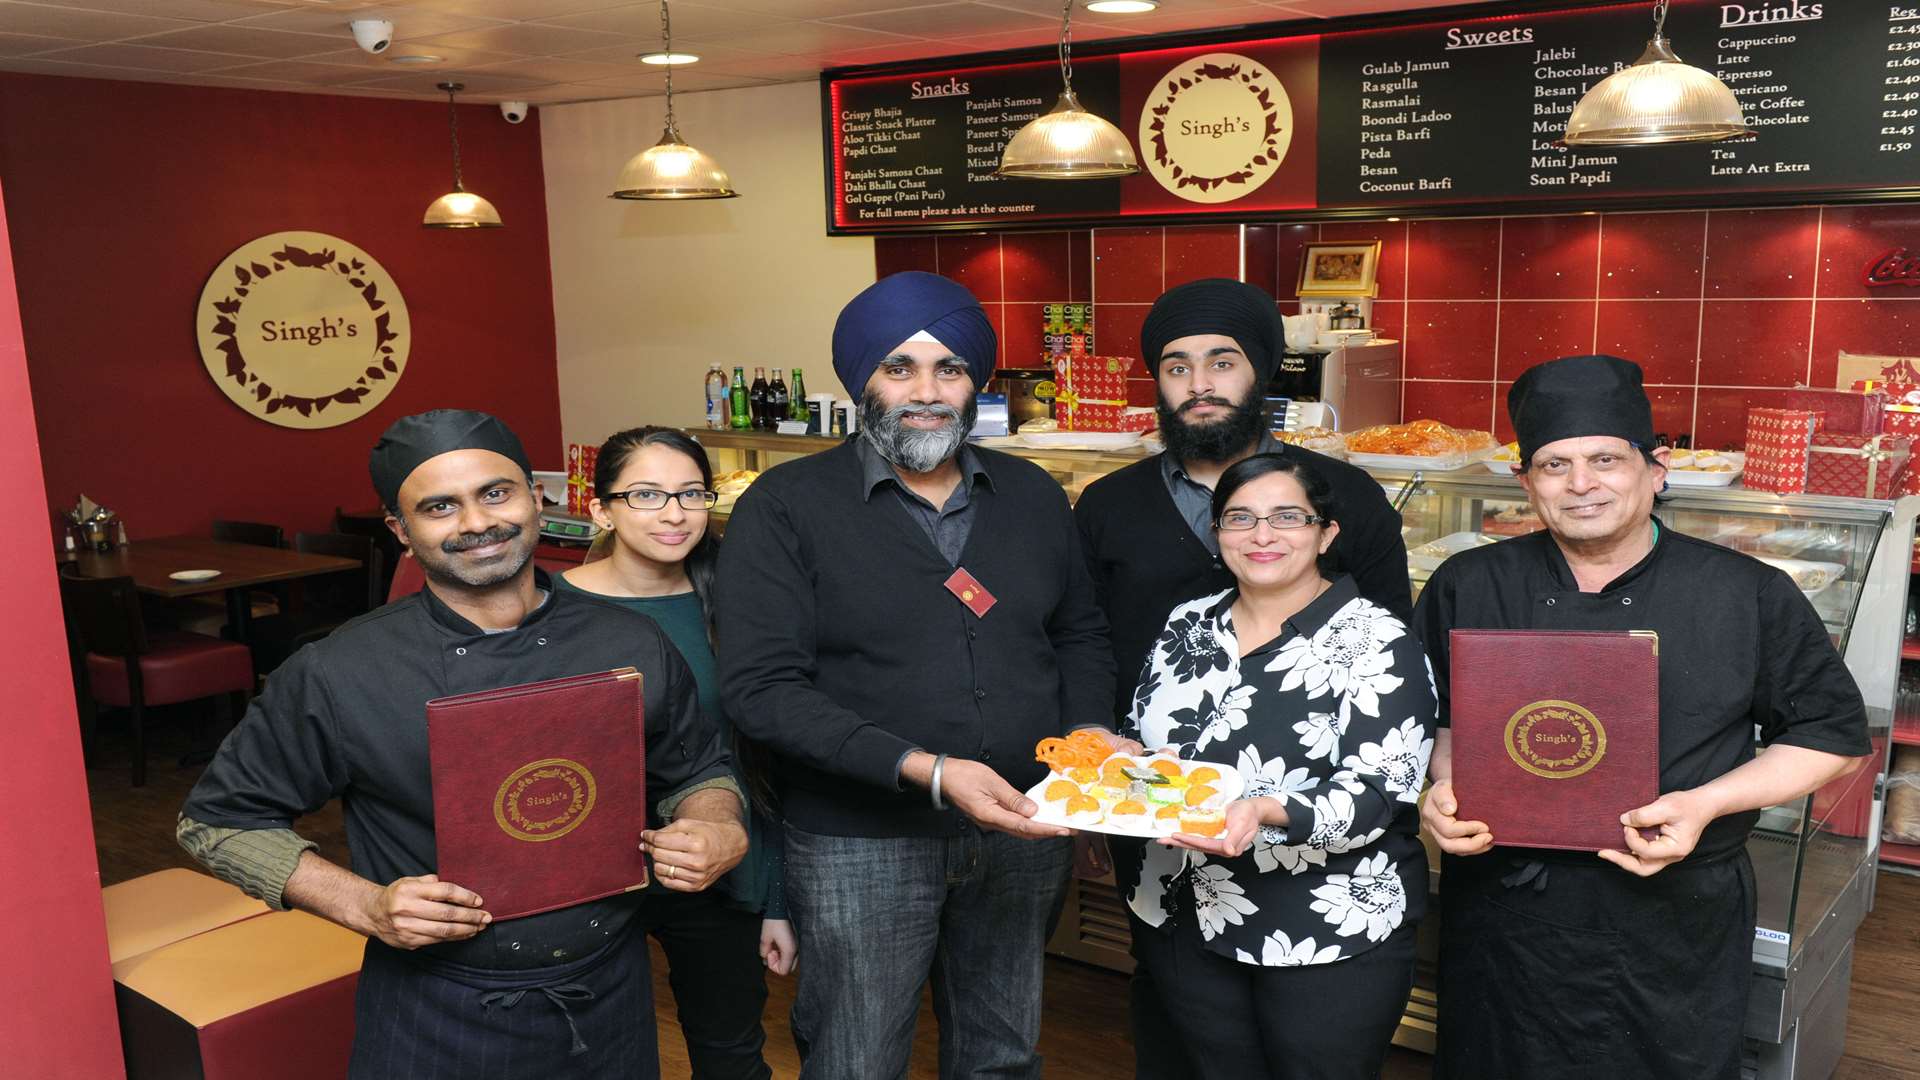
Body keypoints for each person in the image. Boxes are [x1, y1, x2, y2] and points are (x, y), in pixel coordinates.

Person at [177, 409, 748, 1079]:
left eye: (496, 493)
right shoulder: (339, 672)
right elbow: (215, 821)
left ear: (538, 500)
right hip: (438, 1006)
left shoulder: (629, 640)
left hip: (610, 994)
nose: (477, 522)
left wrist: (718, 823)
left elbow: (697, 769)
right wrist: (365, 905)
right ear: (401, 530)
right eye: (440, 506)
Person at [1414, 355, 1872, 1080]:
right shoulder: (1469, 583)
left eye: (1604, 459)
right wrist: (1441, 793)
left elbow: (1832, 738)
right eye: (1554, 465)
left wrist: (1704, 803)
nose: (1580, 483)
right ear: (1525, 482)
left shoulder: (1744, 592)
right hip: (1505, 914)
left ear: (1657, 469)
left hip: (1672, 915)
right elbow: (1442, 725)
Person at [715, 271, 1118, 1080]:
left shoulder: (1035, 495)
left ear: (977, 382)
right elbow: (761, 689)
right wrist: (931, 772)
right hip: (860, 840)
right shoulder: (786, 505)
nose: (927, 392)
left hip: (1020, 827)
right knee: (857, 1059)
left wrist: (1089, 736)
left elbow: (1078, 632)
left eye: (951, 369)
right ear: (861, 379)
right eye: (899, 368)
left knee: (1003, 1054)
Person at [1073, 277, 1411, 1077]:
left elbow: (1401, 655)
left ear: (1260, 372)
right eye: (1177, 366)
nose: (1200, 385)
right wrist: (1092, 771)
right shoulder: (1109, 505)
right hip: (1153, 824)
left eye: (1222, 362)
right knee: (1178, 1030)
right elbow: (1084, 638)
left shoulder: (1350, 498)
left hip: (1317, 862)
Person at [1122, 452, 1434, 1080]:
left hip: (1324, 924)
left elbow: (1378, 793)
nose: (1262, 536)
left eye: (1287, 517)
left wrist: (1268, 810)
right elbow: (1143, 735)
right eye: (1240, 519)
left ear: (1327, 532)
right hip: (1183, 910)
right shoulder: (1188, 624)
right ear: (1218, 535)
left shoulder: (1379, 642)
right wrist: (1120, 764)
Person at [556, 426, 790, 1080]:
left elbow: (768, 757)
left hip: (714, 863)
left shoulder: (742, 602)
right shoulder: (553, 611)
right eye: (647, 495)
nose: (675, 512)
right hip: (591, 874)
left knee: (731, 1054)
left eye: (690, 493)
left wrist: (777, 897)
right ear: (601, 508)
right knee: (596, 1052)